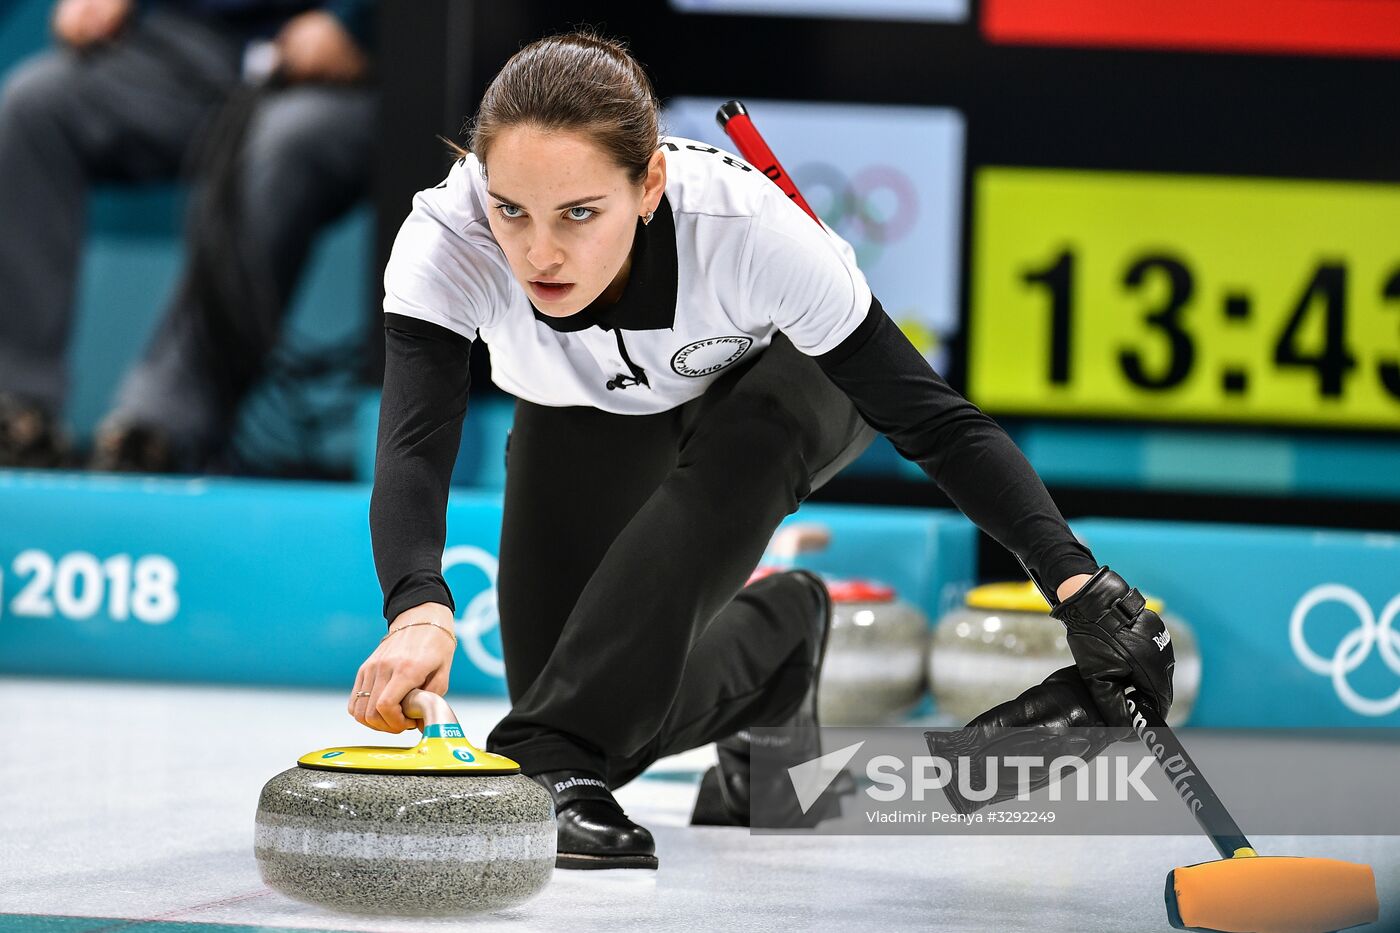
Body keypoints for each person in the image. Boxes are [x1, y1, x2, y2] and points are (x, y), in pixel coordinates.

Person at [351, 31, 1175, 869]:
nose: (540, 252)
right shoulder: (447, 239)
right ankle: (781, 643)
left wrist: (1081, 587)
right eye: (511, 211)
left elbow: (938, 423)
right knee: (580, 695)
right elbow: (415, 441)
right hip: (586, 403)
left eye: (580, 213)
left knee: (572, 713)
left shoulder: (748, 230)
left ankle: (547, 751)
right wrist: (418, 607)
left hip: (786, 378)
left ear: (649, 184)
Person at [0, 0, 375, 472]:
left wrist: (355, 23)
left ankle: (163, 429)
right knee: (36, 101)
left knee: (283, 140)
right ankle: (18, 413)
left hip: (343, 65)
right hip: (194, 45)